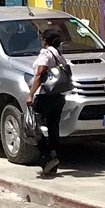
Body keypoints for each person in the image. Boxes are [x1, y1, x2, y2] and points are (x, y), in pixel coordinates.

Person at [28, 22, 75, 179]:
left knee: (34, 126)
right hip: (58, 96)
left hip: (45, 96)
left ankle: (46, 156)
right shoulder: (59, 54)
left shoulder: (45, 54)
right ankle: (54, 157)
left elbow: (40, 74)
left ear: (45, 41)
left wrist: (30, 94)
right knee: (53, 126)